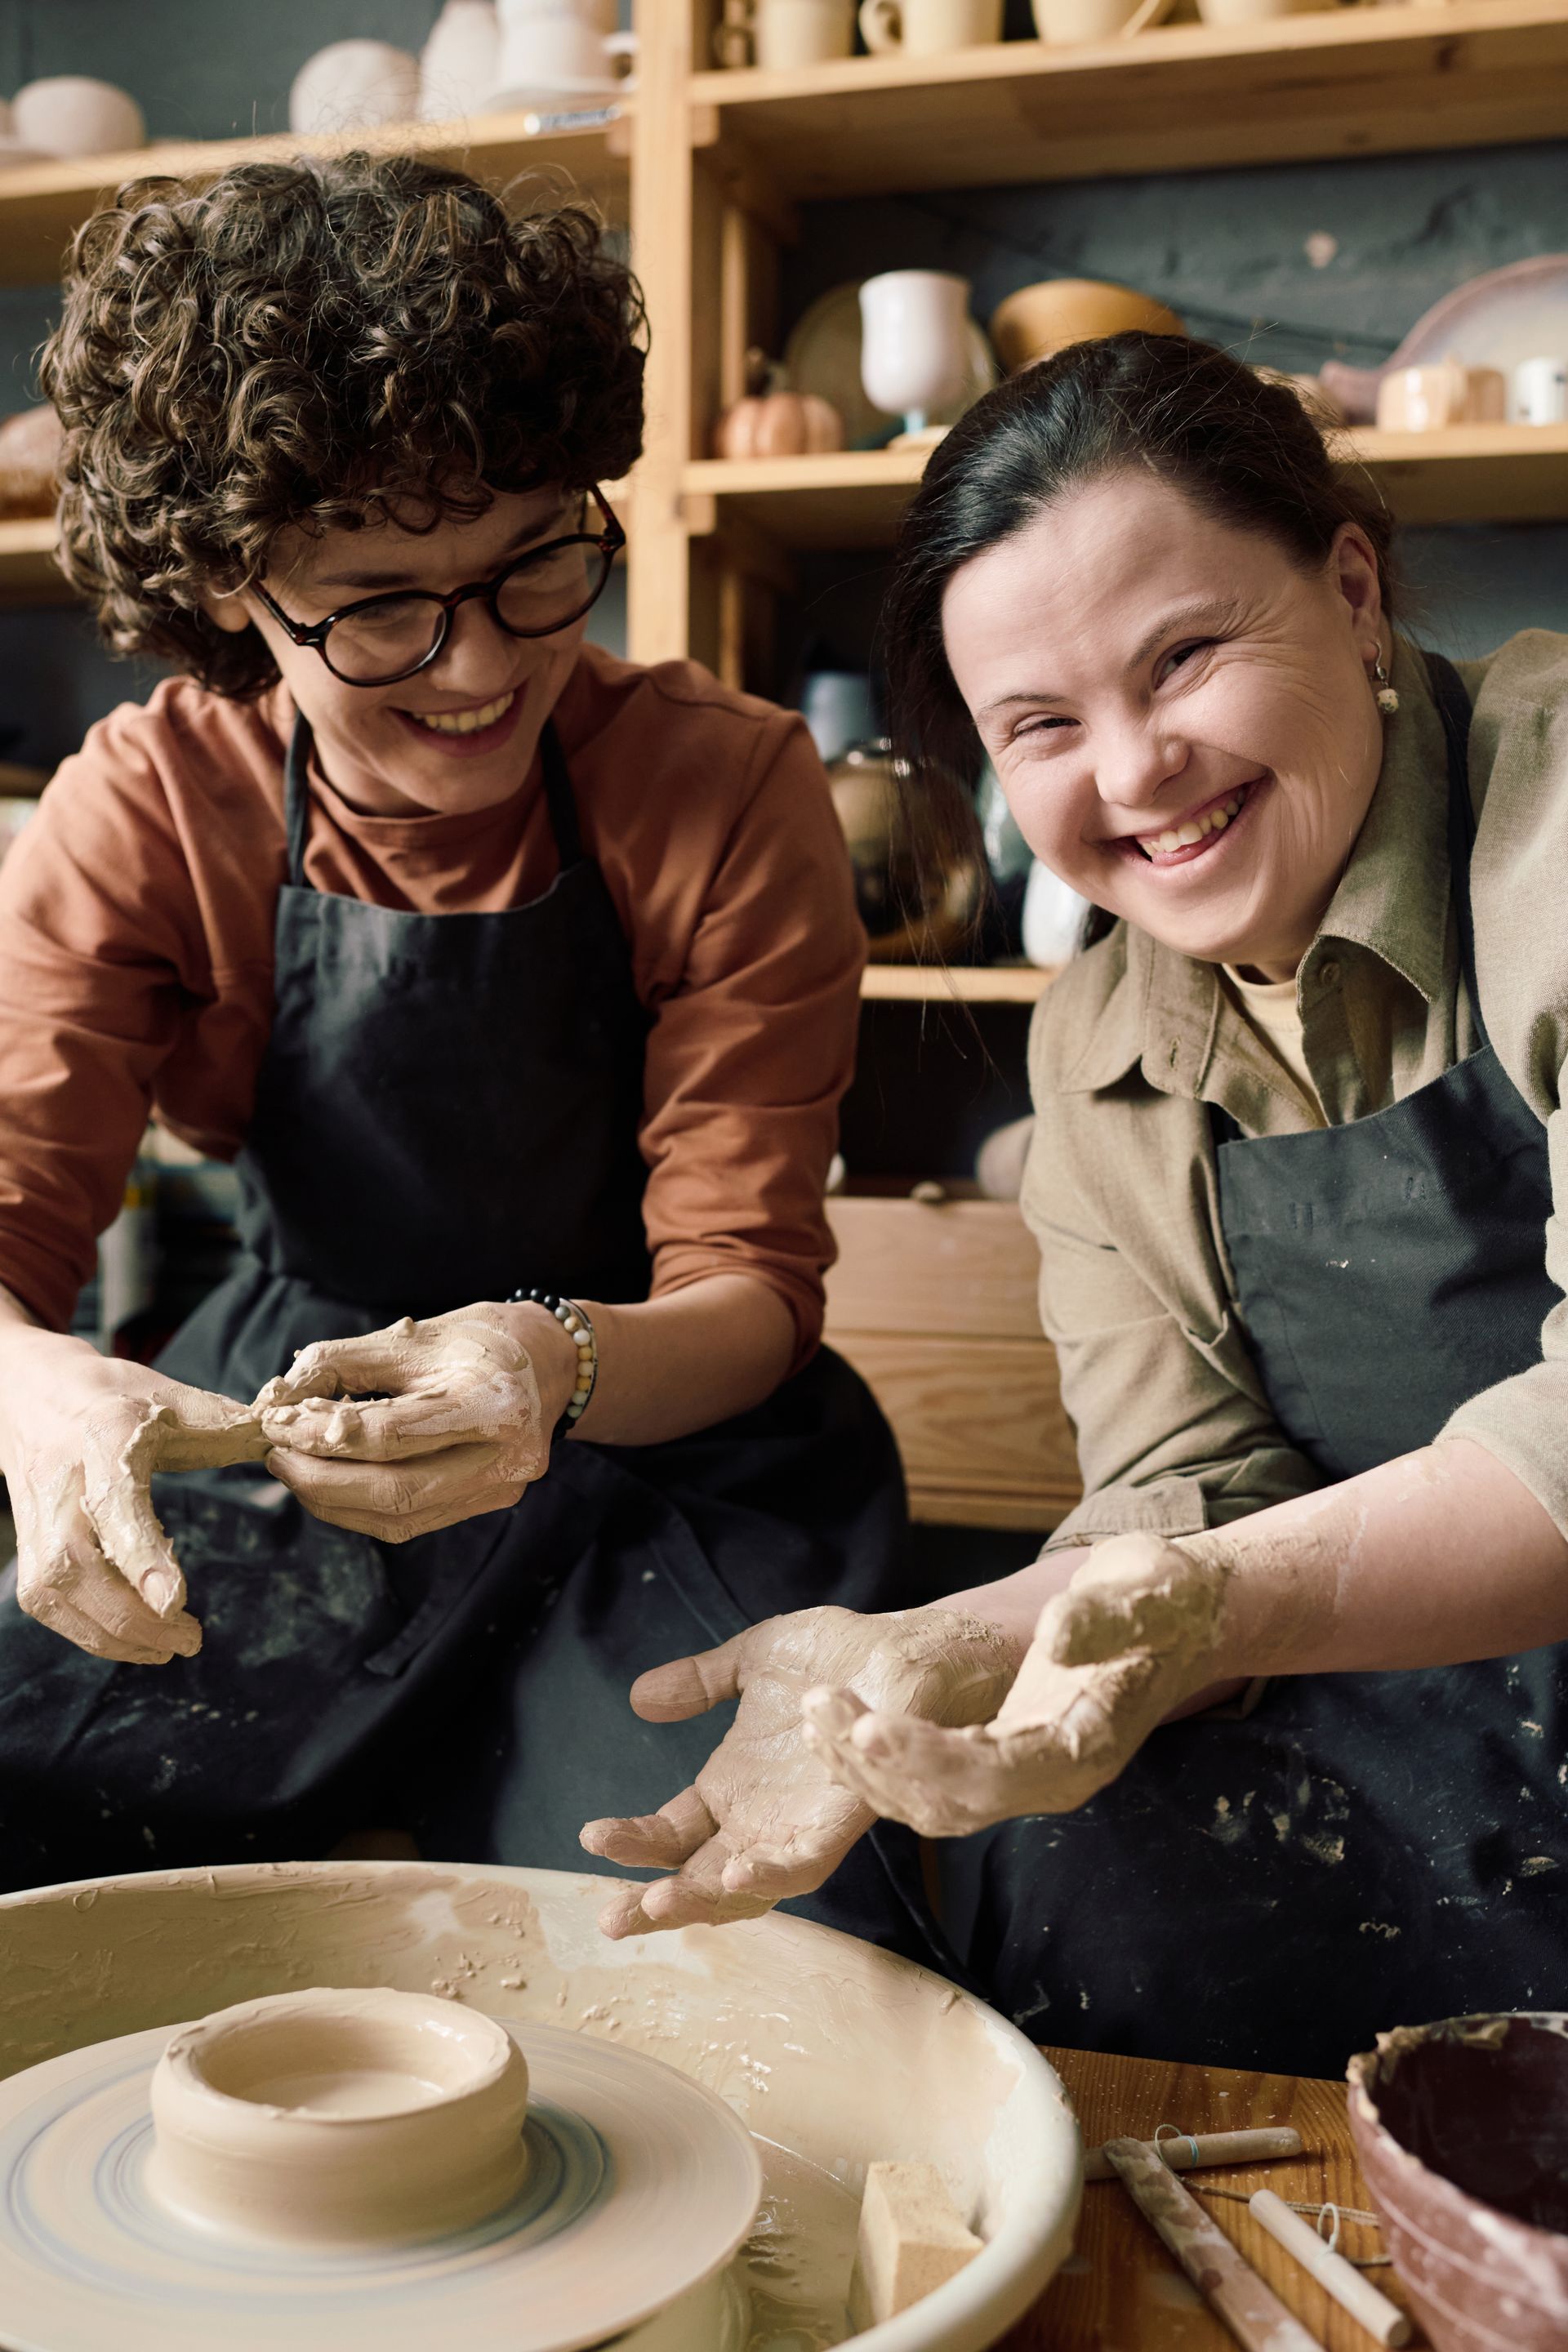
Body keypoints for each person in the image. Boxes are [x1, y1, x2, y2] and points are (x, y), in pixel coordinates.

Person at [585, 335, 1568, 2074]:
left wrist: (1198, 1599)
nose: (1132, 776)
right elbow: (1185, 1496)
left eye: (1185, 657)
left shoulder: (1552, 818)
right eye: (1041, 726)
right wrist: (949, 1657)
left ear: (1350, 589)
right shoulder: (1104, 1043)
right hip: (1385, 1658)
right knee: (1075, 1882)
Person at [0, 151, 929, 1961]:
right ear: (231, 590)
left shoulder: (725, 784)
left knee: (728, 1915)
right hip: (292, 1420)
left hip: (669, 1428)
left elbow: (747, 1291)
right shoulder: (149, 800)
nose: (478, 664)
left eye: (532, 567)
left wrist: (544, 1363)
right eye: (377, 604)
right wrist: (36, 1396)